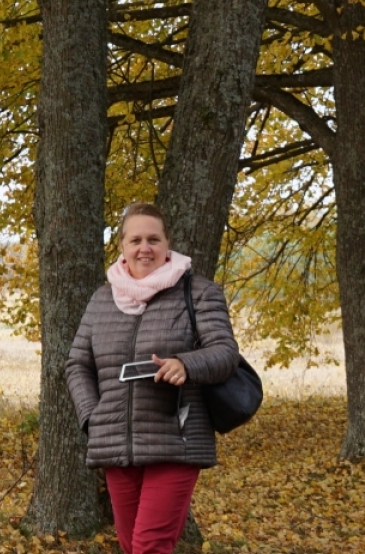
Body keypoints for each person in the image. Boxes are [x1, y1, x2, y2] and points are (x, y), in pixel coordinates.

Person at [65, 202, 240, 554]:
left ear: (167, 245)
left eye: (153, 239)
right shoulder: (102, 299)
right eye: (136, 240)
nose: (145, 248)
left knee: (149, 546)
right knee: (133, 547)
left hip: (175, 440)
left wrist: (186, 363)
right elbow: (77, 365)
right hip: (115, 442)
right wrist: (92, 417)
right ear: (122, 248)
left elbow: (225, 353)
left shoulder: (199, 293)